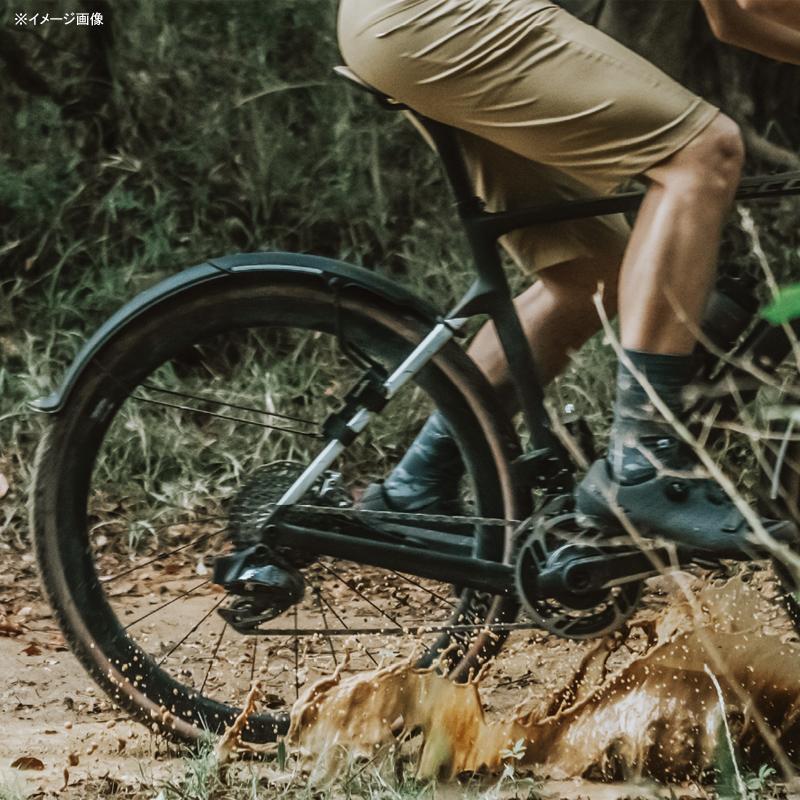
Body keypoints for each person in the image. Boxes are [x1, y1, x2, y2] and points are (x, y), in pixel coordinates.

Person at [338, 0, 800, 553]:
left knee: (593, 276)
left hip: (413, 25)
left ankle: (415, 486)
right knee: (704, 151)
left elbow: (734, 20)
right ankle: (642, 465)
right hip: (439, 17)